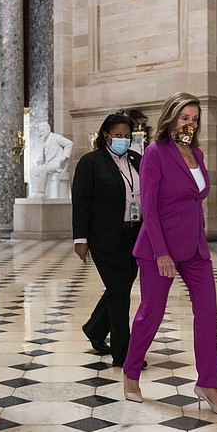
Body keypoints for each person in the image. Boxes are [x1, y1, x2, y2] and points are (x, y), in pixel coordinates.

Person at [122, 92, 217, 415]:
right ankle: (130, 374)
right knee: (151, 312)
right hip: (161, 247)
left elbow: (195, 199)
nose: (190, 123)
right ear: (171, 118)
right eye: (185, 117)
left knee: (208, 313)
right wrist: (161, 252)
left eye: (195, 118)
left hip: (196, 248)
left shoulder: (197, 154)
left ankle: (208, 385)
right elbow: (150, 207)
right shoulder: (155, 154)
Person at [72, 113, 142, 367]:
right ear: (106, 136)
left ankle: (95, 328)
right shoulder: (91, 162)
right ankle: (123, 353)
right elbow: (81, 202)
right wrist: (81, 239)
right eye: (118, 135)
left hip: (134, 234)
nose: (123, 140)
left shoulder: (137, 160)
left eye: (127, 136)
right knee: (121, 292)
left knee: (118, 288)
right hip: (104, 237)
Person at [30, 122, 73, 197]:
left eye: (43, 131)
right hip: (48, 164)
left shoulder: (56, 137)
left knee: (43, 170)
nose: (41, 133)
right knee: (33, 171)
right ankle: (35, 192)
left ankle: (41, 192)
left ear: (48, 130)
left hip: (57, 164)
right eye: (40, 131)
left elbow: (69, 143)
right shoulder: (45, 140)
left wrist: (64, 156)